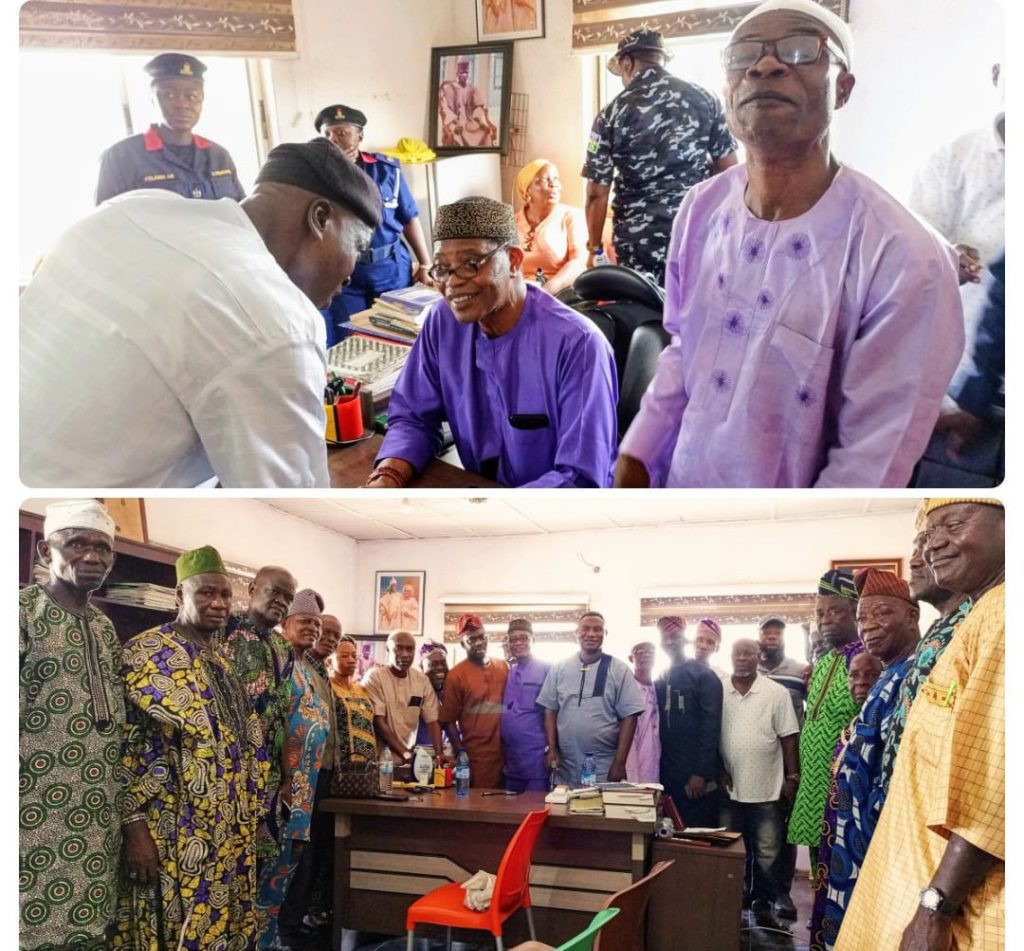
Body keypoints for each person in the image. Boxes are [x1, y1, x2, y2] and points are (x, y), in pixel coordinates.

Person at [615, 0, 964, 489]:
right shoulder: (701, 208)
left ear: (844, 88)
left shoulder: (903, 257)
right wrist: (636, 455)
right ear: (726, 89)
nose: (764, 65)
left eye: (801, 49)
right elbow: (682, 349)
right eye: (743, 54)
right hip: (680, 494)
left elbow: (870, 464)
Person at [22, 137, 381, 488]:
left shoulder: (131, 210)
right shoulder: (271, 321)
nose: (352, 272)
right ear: (320, 218)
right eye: (358, 247)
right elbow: (289, 495)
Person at [837, 500, 1004, 951]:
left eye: (954, 524)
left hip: (961, 900)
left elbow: (994, 784)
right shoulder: (978, 615)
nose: (932, 547)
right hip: (911, 866)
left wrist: (935, 908)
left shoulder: (1003, 617)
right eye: (927, 535)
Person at [364, 196, 618, 488]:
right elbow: (413, 418)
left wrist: (489, 511)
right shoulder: (442, 322)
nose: (453, 282)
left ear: (513, 261)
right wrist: (387, 477)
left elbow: (580, 477)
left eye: (471, 264)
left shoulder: (578, 344)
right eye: (442, 268)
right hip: (483, 494)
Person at [115, 546, 266, 949]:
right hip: (172, 832)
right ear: (180, 594)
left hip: (229, 832)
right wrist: (134, 828)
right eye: (206, 593)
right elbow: (125, 749)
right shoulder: (148, 653)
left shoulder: (224, 659)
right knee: (172, 930)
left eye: (225, 594)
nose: (218, 603)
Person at [20, 501, 124, 950]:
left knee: (90, 929)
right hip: (31, 813)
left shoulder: (104, 627)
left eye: (102, 548)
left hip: (98, 816)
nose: (92, 556)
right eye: (77, 544)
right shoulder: (20, 613)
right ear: (46, 550)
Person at [811, 569, 921, 950]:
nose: (868, 626)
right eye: (862, 617)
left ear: (912, 616)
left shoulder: (914, 676)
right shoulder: (890, 673)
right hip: (851, 838)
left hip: (878, 844)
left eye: (882, 613)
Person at [582, 29, 737, 284]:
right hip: (695, 230)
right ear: (661, 58)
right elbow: (728, 171)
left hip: (638, 239)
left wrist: (595, 249)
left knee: (642, 305)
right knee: (693, 304)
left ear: (627, 63)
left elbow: (596, 193)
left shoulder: (610, 114)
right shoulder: (706, 99)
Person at [315, 104, 434, 344]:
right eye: (327, 134)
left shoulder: (386, 170)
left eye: (341, 133)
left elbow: (409, 217)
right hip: (347, 272)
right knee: (350, 339)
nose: (333, 139)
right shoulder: (318, 176)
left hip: (390, 267)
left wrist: (425, 263)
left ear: (359, 136)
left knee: (400, 335)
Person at [257, 589, 334, 948]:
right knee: (271, 864)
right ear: (285, 623)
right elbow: (267, 724)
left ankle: (274, 936)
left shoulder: (306, 667)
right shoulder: (274, 660)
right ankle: (259, 940)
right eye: (305, 622)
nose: (313, 629)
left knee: (290, 863)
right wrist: (284, 778)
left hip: (306, 785)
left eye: (317, 624)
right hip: (281, 786)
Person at [879, 520, 970, 793]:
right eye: (916, 550)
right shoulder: (942, 625)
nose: (915, 561)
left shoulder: (973, 622)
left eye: (925, 547)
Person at [719, 639, 801, 929]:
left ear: (758, 657)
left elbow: (789, 737)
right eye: (737, 654)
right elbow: (709, 733)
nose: (742, 658)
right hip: (730, 789)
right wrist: (717, 769)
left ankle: (762, 904)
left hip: (767, 787)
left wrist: (792, 777)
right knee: (732, 851)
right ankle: (733, 901)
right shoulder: (719, 689)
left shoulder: (776, 692)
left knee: (767, 853)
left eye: (748, 654)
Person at [220, 565, 297, 868]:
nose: (281, 601)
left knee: (259, 862)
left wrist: (288, 776)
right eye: (274, 591)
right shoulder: (222, 630)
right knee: (226, 859)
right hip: (227, 771)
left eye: (288, 597)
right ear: (253, 589)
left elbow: (283, 713)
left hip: (270, 778)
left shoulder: (284, 647)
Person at [908, 63, 1004, 302]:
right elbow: (915, 256)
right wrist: (948, 259)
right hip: (973, 317)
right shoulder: (950, 159)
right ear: (997, 73)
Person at [807, 651, 883, 950]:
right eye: (854, 675)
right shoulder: (854, 724)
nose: (861, 682)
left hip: (862, 838)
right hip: (837, 833)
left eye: (871, 675)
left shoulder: (883, 722)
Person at [96, 53, 245, 203]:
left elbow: (238, 212)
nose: (182, 104)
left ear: (202, 100)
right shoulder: (121, 157)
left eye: (192, 96)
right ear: (153, 99)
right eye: (170, 95)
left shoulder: (219, 156)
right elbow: (107, 216)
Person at [787, 569, 863, 854]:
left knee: (845, 856)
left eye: (834, 611)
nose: (824, 620)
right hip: (813, 785)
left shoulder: (865, 659)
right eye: (819, 613)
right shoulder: (823, 662)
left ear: (855, 611)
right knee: (818, 863)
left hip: (843, 788)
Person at [538, 613, 645, 785]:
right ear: (576, 633)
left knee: (596, 801)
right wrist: (551, 748)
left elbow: (630, 716)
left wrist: (620, 762)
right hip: (566, 762)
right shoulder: (560, 668)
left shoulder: (619, 670)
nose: (591, 634)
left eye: (597, 629)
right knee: (566, 802)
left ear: (605, 634)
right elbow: (550, 709)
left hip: (603, 762)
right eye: (585, 629)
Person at [756, 614, 809, 921]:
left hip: (789, 762)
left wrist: (795, 772)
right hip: (756, 764)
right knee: (757, 829)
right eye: (767, 632)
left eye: (777, 632)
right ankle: (756, 892)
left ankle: (782, 893)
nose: (772, 637)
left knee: (785, 829)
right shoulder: (748, 669)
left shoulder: (800, 671)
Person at [656, 616, 723, 826]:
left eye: (675, 637)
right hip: (668, 771)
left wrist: (700, 773)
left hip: (694, 775)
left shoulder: (703, 676)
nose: (670, 642)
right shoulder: (662, 677)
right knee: (669, 832)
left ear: (685, 640)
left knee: (697, 833)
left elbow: (711, 727)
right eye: (666, 637)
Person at [440, 615, 510, 788]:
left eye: (482, 637)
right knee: (481, 803)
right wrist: (460, 753)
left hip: (508, 755)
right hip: (477, 758)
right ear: (463, 644)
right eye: (471, 640)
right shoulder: (455, 676)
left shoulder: (503, 667)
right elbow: (448, 721)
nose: (479, 643)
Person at [362, 630, 445, 767]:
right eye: (399, 648)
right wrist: (405, 754)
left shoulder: (421, 681)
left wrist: (439, 755)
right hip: (379, 760)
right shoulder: (375, 677)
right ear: (388, 649)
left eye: (410, 649)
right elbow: (379, 722)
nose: (405, 654)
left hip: (407, 761)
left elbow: (432, 721)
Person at [514, 159, 588, 295]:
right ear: (527, 189)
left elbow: (579, 263)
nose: (553, 184)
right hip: (519, 293)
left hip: (560, 292)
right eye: (544, 180)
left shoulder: (570, 217)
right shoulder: (512, 222)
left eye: (556, 179)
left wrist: (548, 289)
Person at [501, 620, 551, 792]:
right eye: (513, 639)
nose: (518, 643)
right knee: (509, 805)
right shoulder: (508, 671)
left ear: (533, 640)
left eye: (523, 638)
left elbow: (553, 711)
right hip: (511, 757)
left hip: (535, 756)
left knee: (533, 804)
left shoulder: (547, 669)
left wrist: (552, 749)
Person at [330, 634, 377, 763]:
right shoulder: (328, 688)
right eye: (344, 656)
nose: (351, 660)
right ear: (329, 661)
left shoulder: (361, 689)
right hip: (341, 761)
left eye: (354, 656)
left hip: (368, 762)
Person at [438, 58, 498, 147]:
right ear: (457, 73)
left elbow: (481, 106)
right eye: (462, 72)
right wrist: (455, 123)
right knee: (456, 134)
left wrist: (482, 120)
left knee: (484, 132)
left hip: (470, 121)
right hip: (455, 121)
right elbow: (445, 109)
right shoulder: (450, 88)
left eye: (466, 73)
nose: (464, 75)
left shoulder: (472, 89)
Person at [625, 641, 661, 784]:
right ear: (631, 658)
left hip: (654, 763)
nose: (646, 655)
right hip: (633, 765)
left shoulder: (659, 688)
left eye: (650, 651)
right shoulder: (628, 689)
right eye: (640, 651)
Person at [416, 641, 452, 748]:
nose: (440, 667)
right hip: (419, 752)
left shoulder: (445, 693)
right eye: (433, 664)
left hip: (442, 751)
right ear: (422, 667)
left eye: (443, 663)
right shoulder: (415, 693)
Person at [307, 612, 343, 682]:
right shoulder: (293, 664)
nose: (331, 639)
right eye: (325, 632)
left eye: (337, 636)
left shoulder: (322, 669)